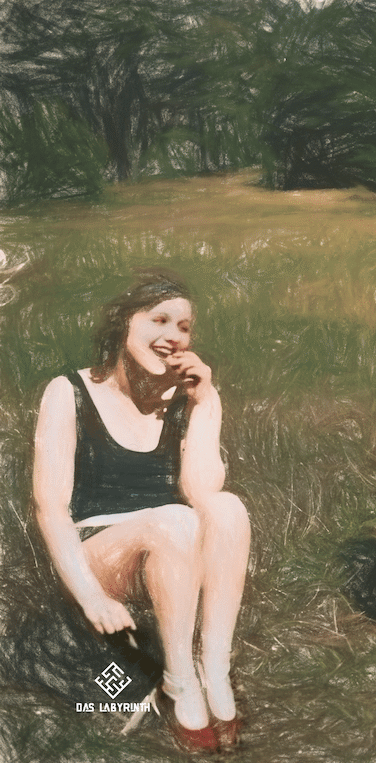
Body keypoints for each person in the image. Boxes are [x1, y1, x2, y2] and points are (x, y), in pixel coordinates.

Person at [32, 272, 250, 753]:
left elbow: (200, 490)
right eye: (160, 319)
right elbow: (50, 509)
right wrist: (91, 598)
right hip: (100, 552)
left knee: (227, 508)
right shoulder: (67, 392)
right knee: (174, 520)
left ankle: (214, 668)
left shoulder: (183, 399)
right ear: (124, 322)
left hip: (175, 542)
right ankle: (177, 679)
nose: (174, 335)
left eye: (185, 326)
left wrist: (206, 402)